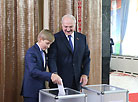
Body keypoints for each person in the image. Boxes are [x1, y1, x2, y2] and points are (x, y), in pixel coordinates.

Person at [48, 14, 90, 91]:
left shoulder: (82, 38)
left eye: (71, 27)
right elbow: (51, 59)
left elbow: (86, 58)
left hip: (77, 81)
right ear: (62, 25)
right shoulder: (55, 38)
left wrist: (85, 74)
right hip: (60, 81)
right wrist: (54, 73)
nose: (68, 29)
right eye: (65, 27)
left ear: (75, 25)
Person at [21, 29, 62, 102]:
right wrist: (51, 76)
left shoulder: (43, 53)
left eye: (50, 44)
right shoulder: (31, 52)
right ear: (40, 39)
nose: (48, 46)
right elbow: (33, 71)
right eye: (47, 43)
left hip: (40, 90)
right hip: (31, 91)